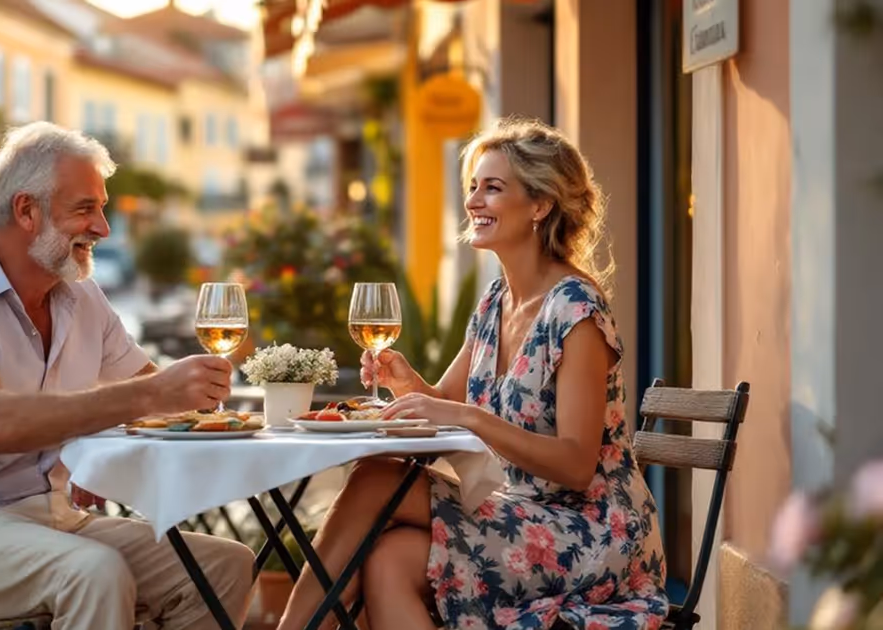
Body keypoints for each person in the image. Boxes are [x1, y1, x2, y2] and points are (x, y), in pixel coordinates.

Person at [278, 117, 668, 630]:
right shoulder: (494, 303)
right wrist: (405, 381)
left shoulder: (576, 310)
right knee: (389, 558)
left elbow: (576, 464)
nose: (473, 201)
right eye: (472, 187)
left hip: (593, 531)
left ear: (540, 205)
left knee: (375, 480)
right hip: (519, 514)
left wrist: (465, 416)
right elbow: (442, 402)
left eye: (492, 188)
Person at [0, 121, 254, 630]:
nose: (103, 228)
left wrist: (240, 396)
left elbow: (164, 399)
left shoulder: (81, 294)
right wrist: (148, 394)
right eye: (85, 209)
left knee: (224, 567)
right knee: (94, 572)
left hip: (51, 519)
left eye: (102, 208)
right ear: (27, 210)